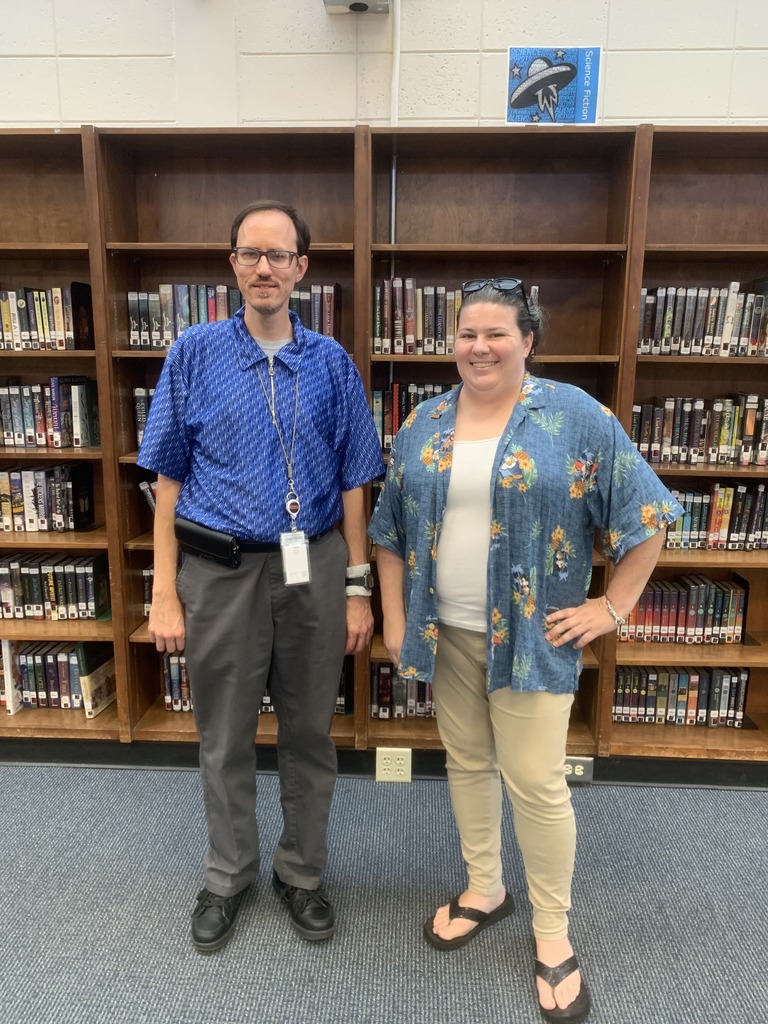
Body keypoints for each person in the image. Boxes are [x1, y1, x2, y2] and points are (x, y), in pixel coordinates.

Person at [368, 278, 684, 1022]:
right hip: (447, 632)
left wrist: (612, 607)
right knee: (468, 762)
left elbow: (650, 514)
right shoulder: (424, 421)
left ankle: (553, 932)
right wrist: (392, 620)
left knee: (538, 783)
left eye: (496, 333)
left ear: (528, 341)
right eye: (467, 334)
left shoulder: (572, 415)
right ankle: (486, 887)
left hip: (535, 640)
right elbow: (389, 532)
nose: (479, 346)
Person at [138, 200, 383, 952]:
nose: (265, 268)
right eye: (251, 254)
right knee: (225, 735)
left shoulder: (332, 363)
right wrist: (162, 593)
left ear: (302, 269)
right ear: (233, 265)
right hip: (219, 571)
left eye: (280, 256)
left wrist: (357, 589)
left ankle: (301, 874)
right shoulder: (194, 354)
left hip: (314, 567)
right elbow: (167, 480)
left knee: (310, 732)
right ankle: (229, 874)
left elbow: (354, 483)